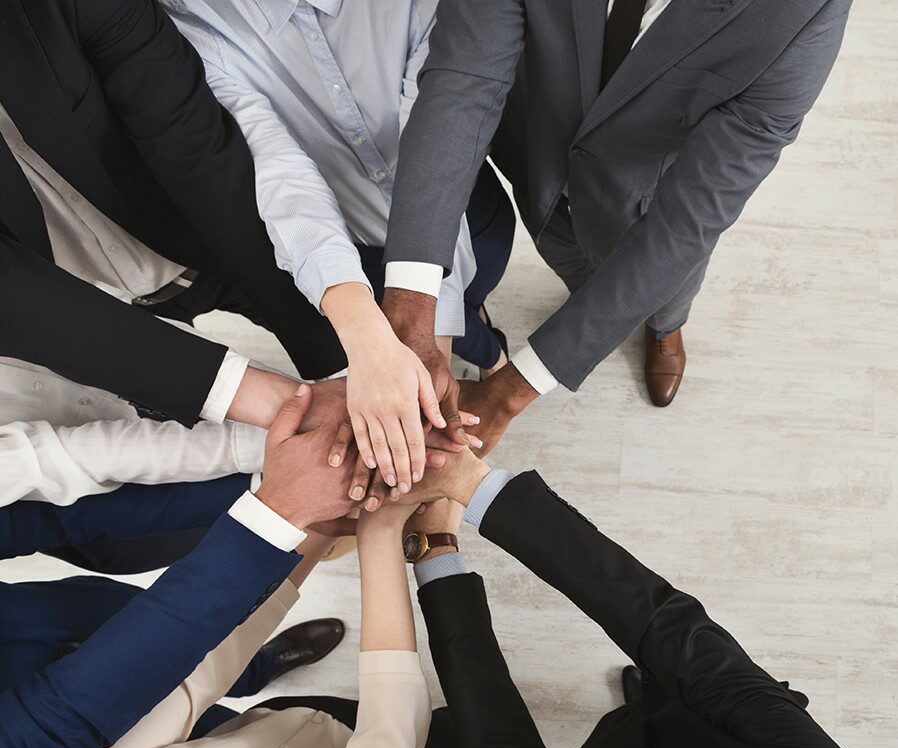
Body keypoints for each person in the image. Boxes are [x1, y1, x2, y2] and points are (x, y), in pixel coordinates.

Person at [0, 0, 463, 473]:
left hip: (198, 243)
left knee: (425, 326)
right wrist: (288, 404)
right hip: (71, 314)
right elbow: (16, 295)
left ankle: (478, 337)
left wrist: (350, 352)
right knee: (188, 521)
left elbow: (197, 151)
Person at [393, 451, 870, 748]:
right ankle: (651, 698)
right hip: (705, 720)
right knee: (673, 675)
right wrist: (473, 485)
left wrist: (435, 553)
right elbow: (662, 622)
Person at [381, 0, 852, 443]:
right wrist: (408, 310)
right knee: (571, 263)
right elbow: (463, 82)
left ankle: (664, 330)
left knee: (666, 290)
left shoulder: (805, 11)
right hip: (540, 154)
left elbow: (686, 225)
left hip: (652, 197)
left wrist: (508, 396)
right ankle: (594, 298)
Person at [0, 495, 472, 748]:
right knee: (472, 738)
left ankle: (268, 664)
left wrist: (317, 530)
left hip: (291, 724)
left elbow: (191, 683)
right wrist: (383, 538)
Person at [162, 0, 514, 491]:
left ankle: (481, 336)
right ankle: (489, 348)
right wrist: (373, 335)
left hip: (469, 212)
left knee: (470, 294)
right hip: (350, 247)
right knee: (458, 324)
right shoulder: (194, 21)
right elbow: (278, 169)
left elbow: (442, 126)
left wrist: (423, 323)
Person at [0, 384, 364, 748]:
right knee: (221, 737)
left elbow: (41, 517)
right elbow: (62, 721)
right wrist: (278, 514)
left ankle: (259, 665)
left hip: (51, 614)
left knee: (175, 625)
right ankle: (250, 683)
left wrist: (264, 484)